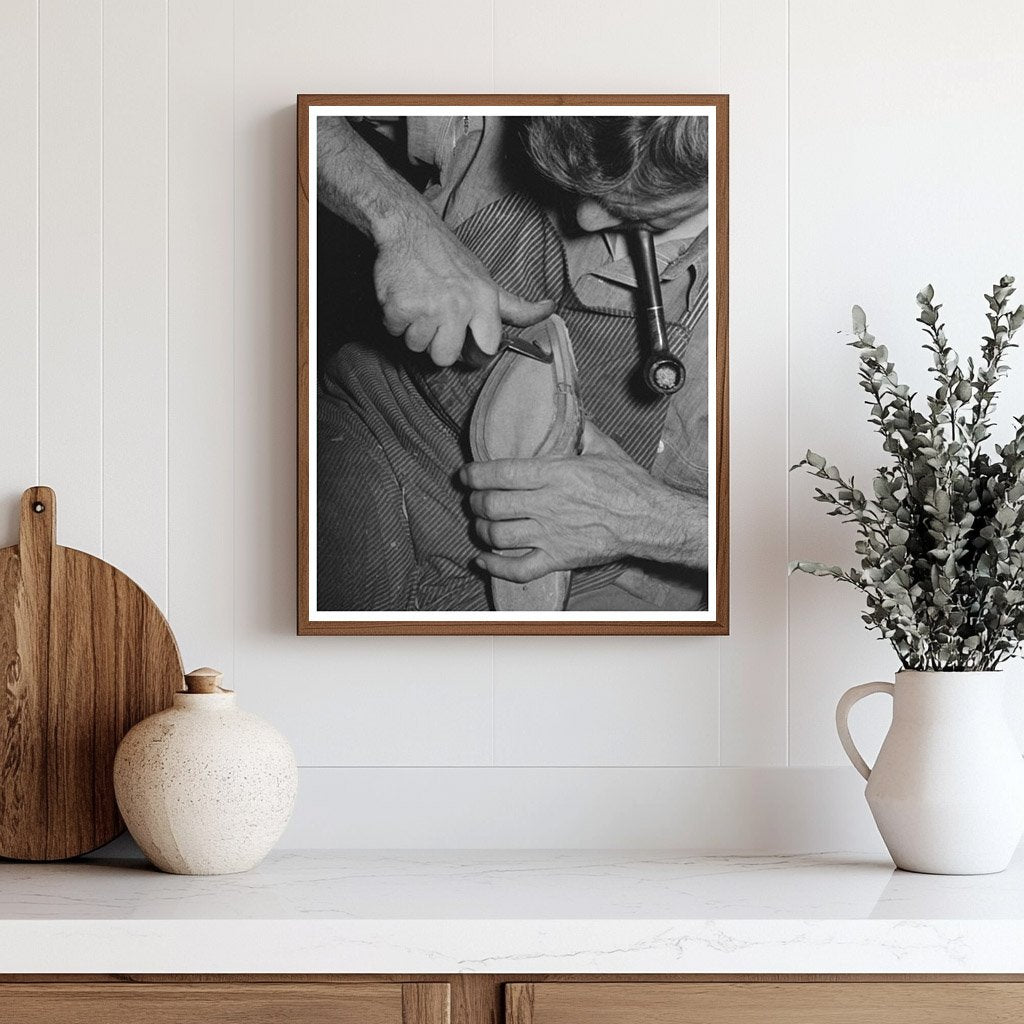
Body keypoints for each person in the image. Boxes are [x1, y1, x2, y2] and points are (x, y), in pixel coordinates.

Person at [316, 114, 711, 612]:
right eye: (566, 178)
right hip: (373, 435)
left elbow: (819, 543)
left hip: (591, 569)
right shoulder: (504, 104)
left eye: (642, 201)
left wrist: (646, 519)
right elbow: (261, 102)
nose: (584, 219)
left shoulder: (802, 286)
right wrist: (401, 222)